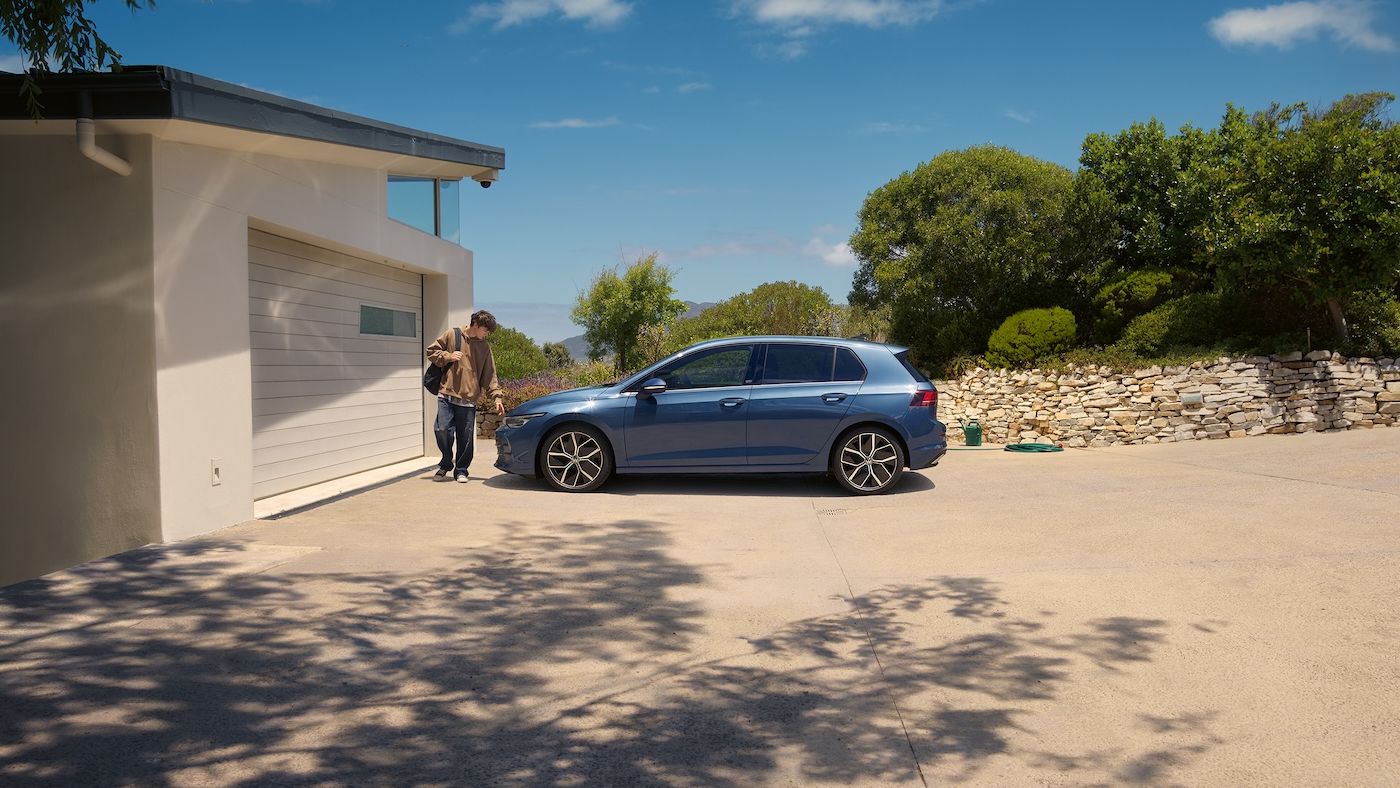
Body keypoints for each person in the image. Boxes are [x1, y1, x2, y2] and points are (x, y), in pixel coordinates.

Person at [425, 310, 506, 483]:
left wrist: (497, 397)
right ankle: (446, 463)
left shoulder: (484, 347)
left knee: (465, 437)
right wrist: (448, 356)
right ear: (476, 325)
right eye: (485, 330)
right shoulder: (452, 335)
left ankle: (461, 470)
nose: (487, 334)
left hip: (468, 399)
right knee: (442, 429)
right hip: (446, 393)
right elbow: (431, 351)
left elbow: (490, 374)